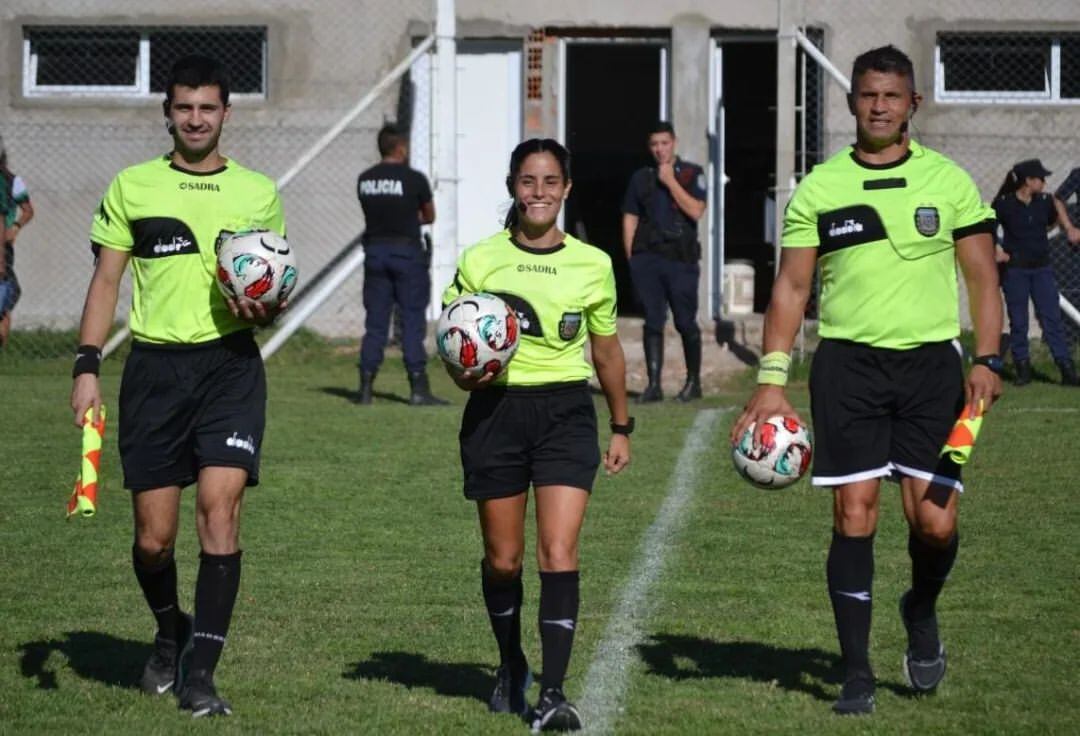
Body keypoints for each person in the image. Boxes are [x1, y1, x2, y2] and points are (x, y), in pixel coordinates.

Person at [731, 45, 1003, 715]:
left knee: (934, 523)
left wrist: (987, 359)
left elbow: (982, 278)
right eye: (867, 95)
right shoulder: (820, 188)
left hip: (934, 370)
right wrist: (771, 379)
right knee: (854, 513)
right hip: (847, 368)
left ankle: (921, 606)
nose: (879, 105)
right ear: (852, 102)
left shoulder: (949, 181)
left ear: (913, 104)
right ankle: (855, 672)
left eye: (892, 95)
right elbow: (793, 286)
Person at [69, 55, 286, 718]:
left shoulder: (257, 193)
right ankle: (172, 630)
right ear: (169, 113)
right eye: (185, 107)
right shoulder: (133, 186)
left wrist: (265, 307)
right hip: (154, 372)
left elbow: (271, 282)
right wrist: (86, 366)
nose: (196, 119)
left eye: (208, 107)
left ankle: (202, 675)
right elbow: (107, 281)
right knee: (152, 539)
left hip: (229, 367)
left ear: (226, 113)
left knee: (219, 513)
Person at [442, 138, 632, 732]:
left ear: (567, 188)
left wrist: (621, 424)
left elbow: (605, 350)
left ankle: (552, 693)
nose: (539, 192)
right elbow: (453, 339)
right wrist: (465, 366)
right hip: (496, 412)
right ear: (512, 186)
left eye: (551, 181)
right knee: (504, 560)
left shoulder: (593, 263)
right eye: (529, 181)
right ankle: (509, 662)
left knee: (558, 552)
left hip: (565, 415)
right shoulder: (480, 259)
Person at [355, 123, 445, 405]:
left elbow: (374, 214)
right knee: (411, 320)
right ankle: (418, 388)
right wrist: (408, 218)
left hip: (375, 254)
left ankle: (366, 388)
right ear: (400, 147)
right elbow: (429, 216)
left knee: (376, 323)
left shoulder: (365, 179)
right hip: (406, 255)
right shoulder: (414, 179)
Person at [621, 121, 707, 403]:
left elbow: (696, 211)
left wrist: (670, 181)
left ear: (674, 143)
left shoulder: (692, 173)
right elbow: (630, 217)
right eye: (655, 144)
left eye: (664, 143)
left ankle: (693, 383)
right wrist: (631, 257)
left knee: (685, 321)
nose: (660, 149)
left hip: (681, 261)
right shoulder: (640, 178)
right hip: (648, 259)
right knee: (653, 321)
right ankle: (653, 385)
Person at [991, 159, 1080, 386]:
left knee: (1052, 320)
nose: (1045, 182)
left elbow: (1054, 209)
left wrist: (1068, 228)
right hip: (1016, 271)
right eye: (1041, 178)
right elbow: (987, 227)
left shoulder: (1044, 202)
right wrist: (996, 249)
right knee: (1018, 321)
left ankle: (1067, 370)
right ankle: (1023, 370)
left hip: (1042, 270)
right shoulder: (1004, 204)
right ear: (1028, 181)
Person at [0, 136, 34, 348]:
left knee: (8, 295)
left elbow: (28, 210)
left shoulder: (11, 181)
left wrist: (16, 227)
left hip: (4, 248)